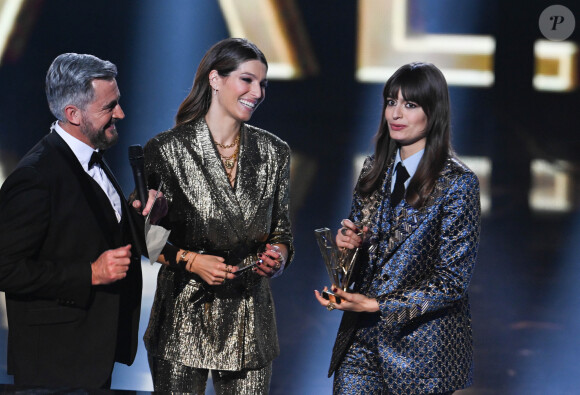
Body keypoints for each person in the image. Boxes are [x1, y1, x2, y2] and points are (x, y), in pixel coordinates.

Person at [314, 62, 481, 394]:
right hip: (359, 344)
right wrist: (349, 246)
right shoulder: (372, 171)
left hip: (420, 354)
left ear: (433, 113)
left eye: (410, 104)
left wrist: (377, 305)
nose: (396, 113)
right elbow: (361, 258)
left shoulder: (458, 183)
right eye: (391, 101)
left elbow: (451, 281)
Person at [0, 53, 163, 389]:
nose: (120, 113)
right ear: (72, 114)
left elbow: (93, 231)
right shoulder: (36, 176)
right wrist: (89, 273)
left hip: (91, 355)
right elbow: (4, 267)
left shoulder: (92, 158)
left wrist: (139, 215)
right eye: (109, 107)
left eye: (118, 102)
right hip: (54, 365)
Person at [143, 38, 294, 394]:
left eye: (263, 84)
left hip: (249, 321)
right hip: (182, 317)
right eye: (247, 80)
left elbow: (282, 231)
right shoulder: (166, 150)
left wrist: (279, 257)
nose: (257, 92)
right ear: (215, 79)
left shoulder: (275, 153)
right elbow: (143, 236)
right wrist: (191, 260)